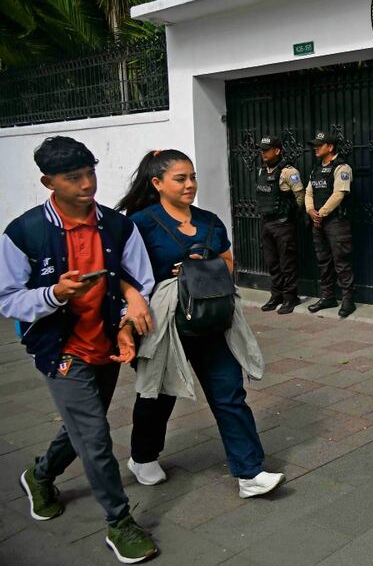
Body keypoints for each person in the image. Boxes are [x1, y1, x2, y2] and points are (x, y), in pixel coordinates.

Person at [0, 136, 158, 564]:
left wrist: (127, 321)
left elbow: (138, 278)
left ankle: (40, 474)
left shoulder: (117, 225)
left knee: (81, 427)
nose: (87, 183)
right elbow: (8, 298)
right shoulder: (24, 232)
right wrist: (54, 293)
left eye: (90, 172)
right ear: (48, 181)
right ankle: (119, 522)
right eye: (74, 177)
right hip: (60, 350)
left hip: (106, 343)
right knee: (95, 437)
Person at [116, 149, 285, 498]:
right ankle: (142, 457)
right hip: (165, 325)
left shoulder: (209, 221)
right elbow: (124, 273)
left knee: (230, 395)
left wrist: (202, 268)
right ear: (157, 183)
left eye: (192, 176)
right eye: (181, 178)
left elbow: (226, 261)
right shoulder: (141, 224)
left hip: (212, 320)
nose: (190, 184)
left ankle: (250, 473)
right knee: (158, 396)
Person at [304, 131, 356, 318]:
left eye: (319, 144)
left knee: (341, 261)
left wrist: (321, 213)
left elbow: (339, 194)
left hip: (336, 223)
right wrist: (311, 210)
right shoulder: (315, 169)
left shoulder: (342, 168)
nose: (316, 148)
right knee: (323, 261)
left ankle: (348, 300)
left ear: (330, 147)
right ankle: (328, 297)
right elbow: (309, 192)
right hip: (318, 221)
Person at [256, 135, 305, 314]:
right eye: (261, 150)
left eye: (266, 150)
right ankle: (276, 295)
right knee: (272, 262)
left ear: (277, 151)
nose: (263, 153)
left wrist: (292, 215)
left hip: (283, 224)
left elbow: (300, 196)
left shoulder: (289, 172)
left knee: (287, 263)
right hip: (267, 223)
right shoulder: (262, 171)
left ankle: (290, 297)